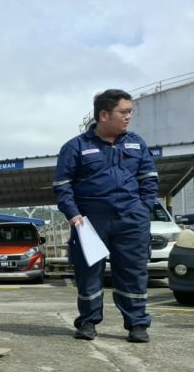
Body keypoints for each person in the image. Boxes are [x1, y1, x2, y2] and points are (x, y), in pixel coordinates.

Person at [54, 89, 159, 343]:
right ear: (103, 115)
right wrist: (74, 215)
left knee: (133, 273)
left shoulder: (137, 143)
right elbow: (62, 187)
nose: (128, 117)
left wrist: (143, 210)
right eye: (123, 112)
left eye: (130, 112)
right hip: (90, 222)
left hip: (131, 222)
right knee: (89, 274)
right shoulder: (76, 147)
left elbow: (149, 181)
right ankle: (88, 322)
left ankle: (137, 325)